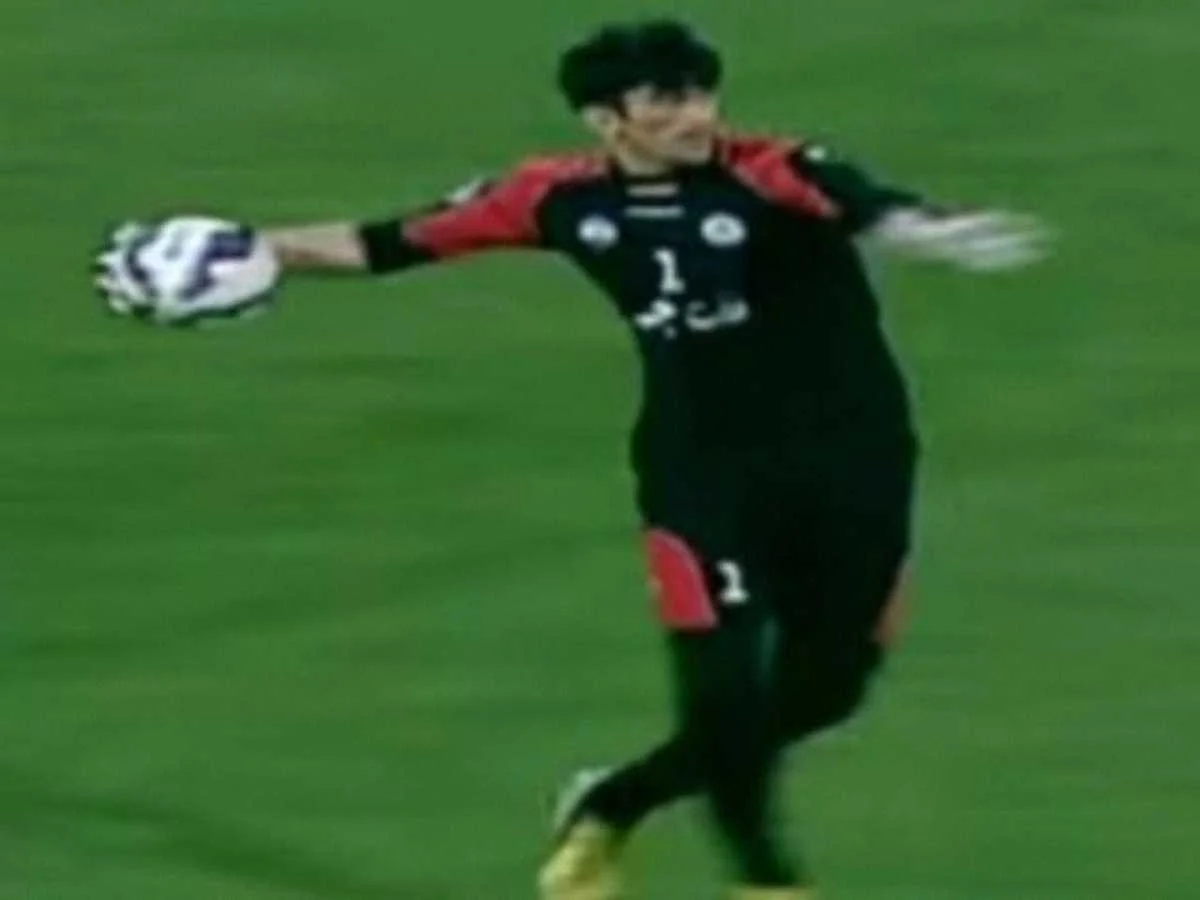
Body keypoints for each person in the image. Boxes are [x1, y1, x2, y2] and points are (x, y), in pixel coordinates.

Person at [94, 18, 1049, 900]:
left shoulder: (774, 171)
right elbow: (386, 243)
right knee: (722, 699)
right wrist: (248, 250)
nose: (693, 116)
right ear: (606, 119)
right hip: (701, 472)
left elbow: (867, 204)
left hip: (854, 464)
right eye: (663, 101)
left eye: (699, 94)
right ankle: (768, 882)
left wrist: (936, 233)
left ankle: (610, 803)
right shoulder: (555, 197)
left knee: (825, 693)